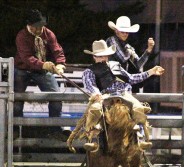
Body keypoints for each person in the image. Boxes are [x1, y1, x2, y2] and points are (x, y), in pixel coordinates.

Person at [82, 40, 165, 151]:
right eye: (99, 56)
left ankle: (139, 139)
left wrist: (150, 72)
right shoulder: (89, 71)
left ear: (108, 55)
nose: (103, 58)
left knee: (138, 108)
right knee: (95, 109)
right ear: (94, 57)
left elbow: (131, 78)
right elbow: (90, 84)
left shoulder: (116, 65)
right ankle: (94, 139)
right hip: (105, 96)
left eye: (104, 56)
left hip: (124, 94)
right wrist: (96, 93)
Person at [14, 9, 69, 140]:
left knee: (56, 97)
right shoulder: (21, 36)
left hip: (41, 71)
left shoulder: (48, 34)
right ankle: (15, 130)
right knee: (16, 99)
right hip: (22, 69)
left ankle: (55, 129)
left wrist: (60, 64)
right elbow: (27, 58)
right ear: (29, 25)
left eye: (41, 26)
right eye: (36, 27)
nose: (39, 29)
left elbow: (57, 50)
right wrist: (44, 65)